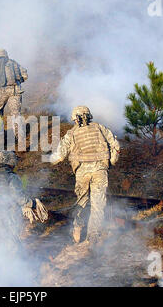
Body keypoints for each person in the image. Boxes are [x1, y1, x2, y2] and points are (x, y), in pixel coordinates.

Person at [51, 106, 120, 247]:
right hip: (100, 171)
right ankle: (93, 237)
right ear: (89, 115)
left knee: (81, 202)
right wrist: (111, 162)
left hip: (82, 172)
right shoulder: (100, 128)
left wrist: (47, 159)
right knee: (98, 205)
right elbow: (116, 146)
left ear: (75, 118)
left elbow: (59, 155)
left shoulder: (71, 133)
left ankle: (77, 231)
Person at [0, 49, 28, 117]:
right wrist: (20, 81)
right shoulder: (13, 63)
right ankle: (17, 127)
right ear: (6, 55)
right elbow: (25, 75)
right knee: (15, 114)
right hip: (14, 90)